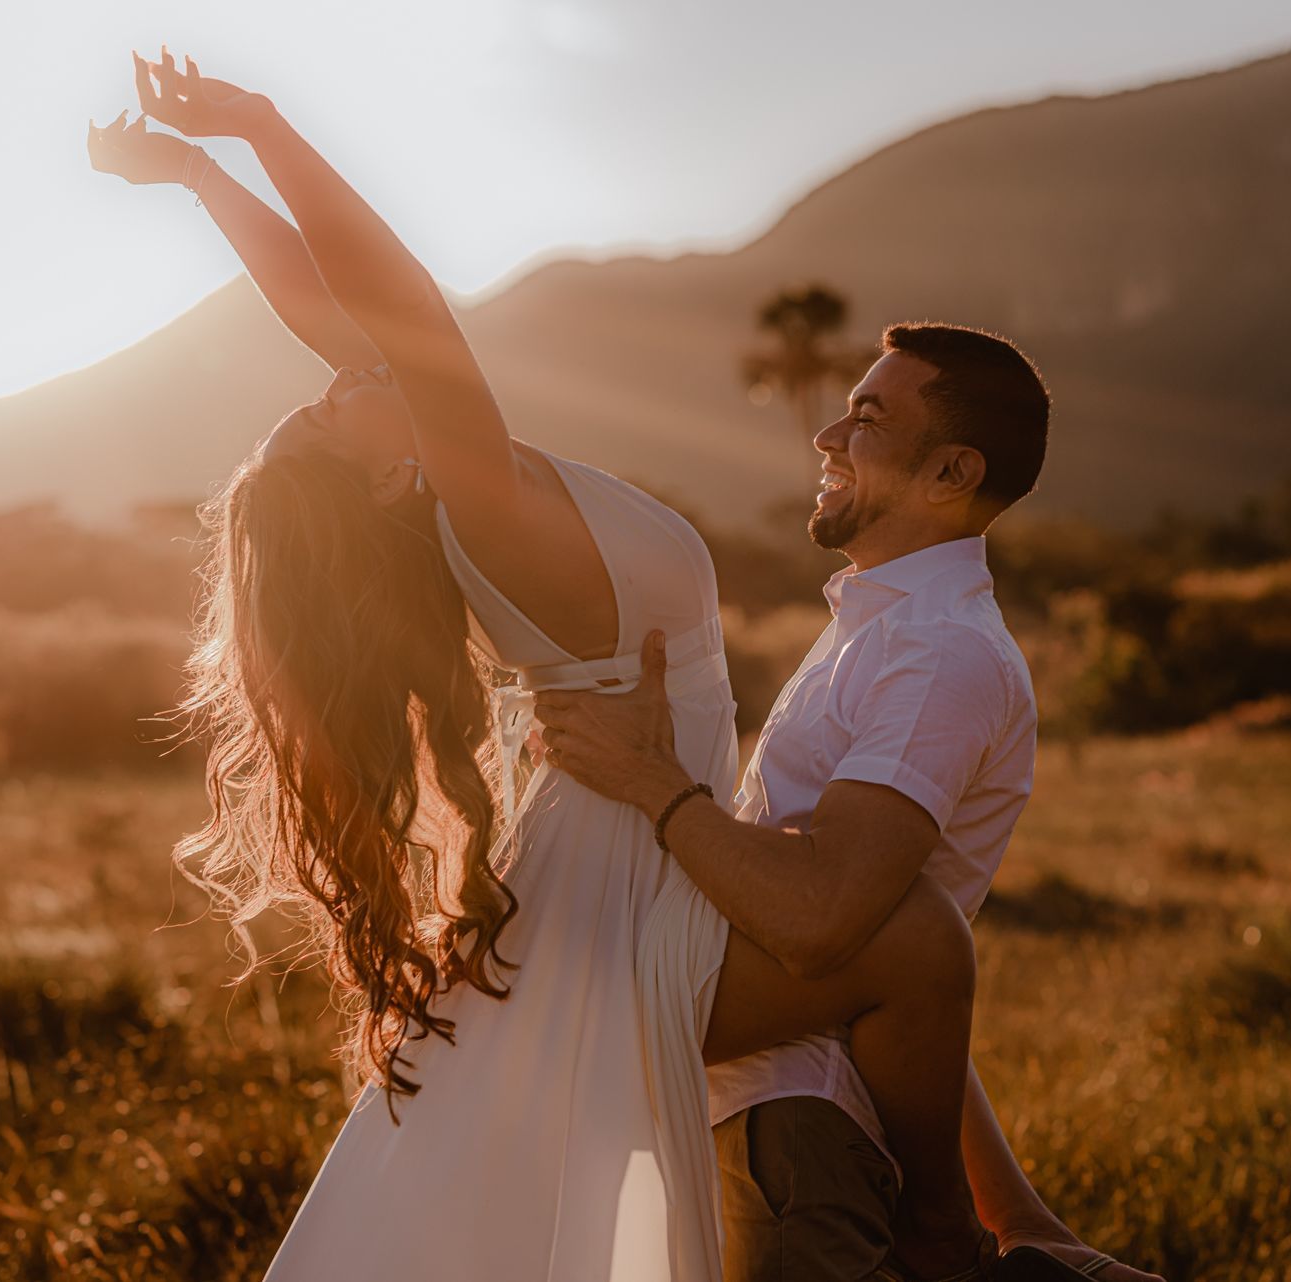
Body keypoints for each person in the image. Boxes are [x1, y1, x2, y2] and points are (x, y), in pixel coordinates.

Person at [90, 50, 1101, 1281]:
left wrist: (203, 174)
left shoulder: (490, 499)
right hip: (628, 887)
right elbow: (394, 305)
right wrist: (259, 125)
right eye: (328, 409)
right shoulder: (488, 506)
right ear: (384, 476)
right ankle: (958, 1236)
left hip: (636, 872)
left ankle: (985, 1229)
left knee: (912, 944)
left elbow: (333, 312)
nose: (343, 375)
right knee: (919, 942)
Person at [537, 327, 1163, 1282]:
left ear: (951, 471)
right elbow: (901, 962)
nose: (829, 435)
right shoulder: (881, 628)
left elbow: (827, 921)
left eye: (868, 417)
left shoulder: (936, 654)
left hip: (803, 1143)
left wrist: (653, 782)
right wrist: (1014, 1214)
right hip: (767, 1126)